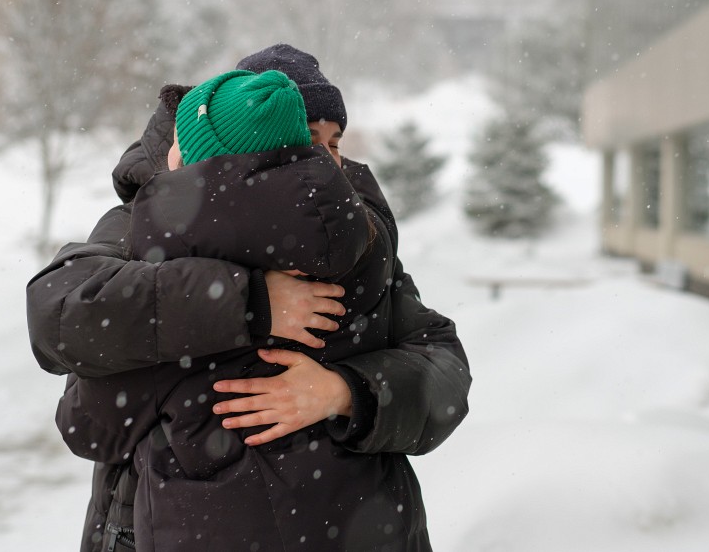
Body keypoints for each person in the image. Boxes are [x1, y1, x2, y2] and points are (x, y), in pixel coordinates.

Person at [26, 44, 471, 552]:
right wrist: (249, 303)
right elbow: (63, 314)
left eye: (335, 143)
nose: (325, 162)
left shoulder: (357, 240)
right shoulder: (146, 221)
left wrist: (347, 392)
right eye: (306, 140)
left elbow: (443, 367)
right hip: (149, 518)